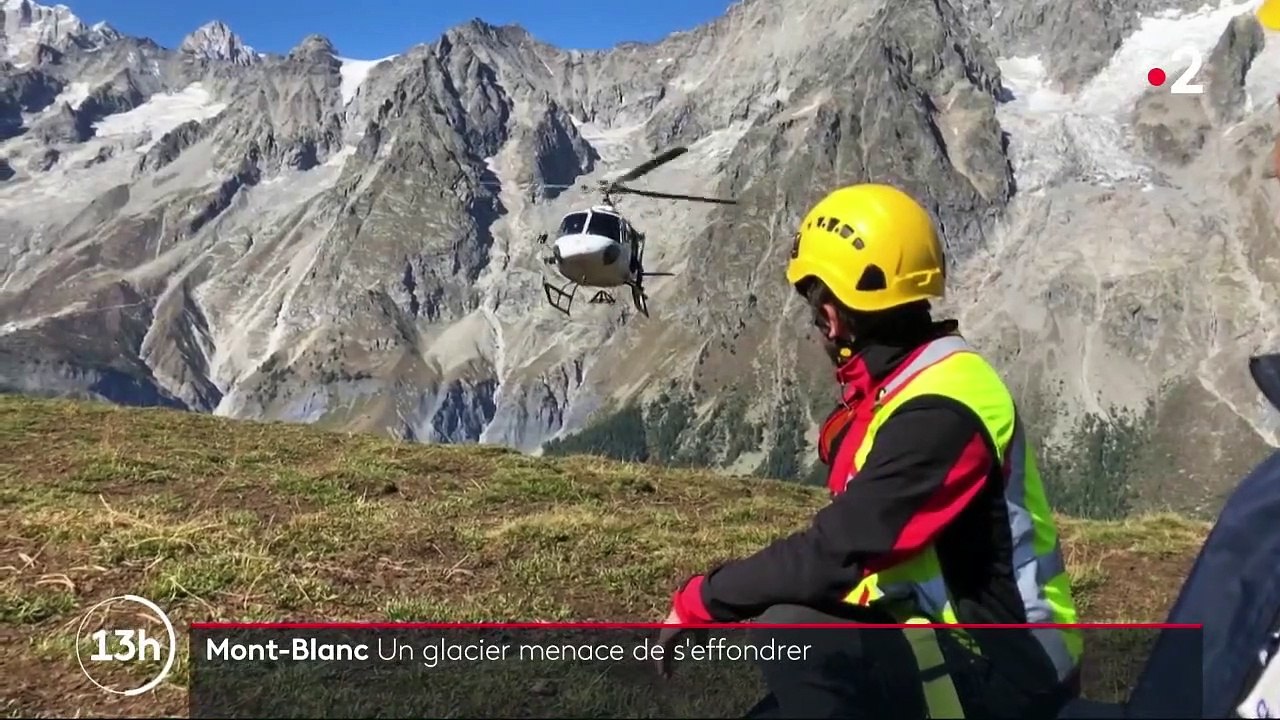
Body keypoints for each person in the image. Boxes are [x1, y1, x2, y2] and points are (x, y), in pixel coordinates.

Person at [653, 184, 1084, 719]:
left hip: (1011, 675)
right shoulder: (924, 378)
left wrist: (702, 599)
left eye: (815, 316)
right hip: (944, 637)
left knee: (794, 629)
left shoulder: (938, 415)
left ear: (832, 318)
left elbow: (837, 553)